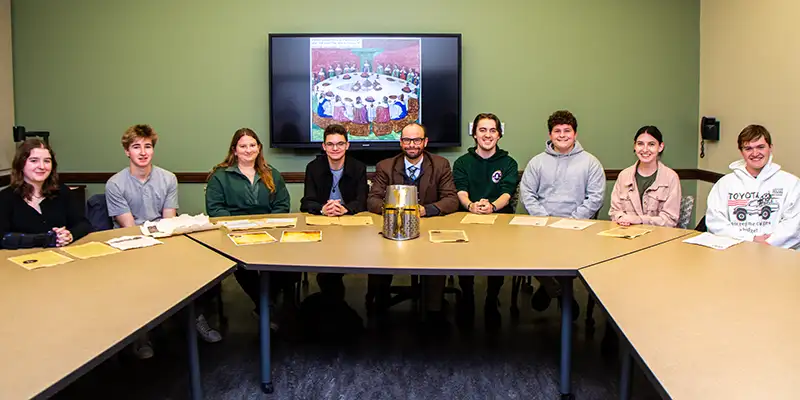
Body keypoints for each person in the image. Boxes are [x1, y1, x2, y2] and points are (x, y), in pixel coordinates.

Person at [105, 124, 211, 358]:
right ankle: (142, 335)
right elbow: (129, 227)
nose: (143, 152)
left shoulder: (168, 179)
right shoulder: (114, 184)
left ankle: (195, 319)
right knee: (137, 277)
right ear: (127, 151)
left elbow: (168, 221)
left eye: (148, 146)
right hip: (131, 244)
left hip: (163, 237)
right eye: (136, 147)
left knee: (198, 267)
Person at [367, 123, 458, 328]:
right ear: (401, 143)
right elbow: (372, 200)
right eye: (407, 140)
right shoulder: (386, 166)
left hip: (428, 229)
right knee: (379, 253)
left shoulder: (441, 164)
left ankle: (434, 310)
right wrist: (398, 209)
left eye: (417, 140)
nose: (412, 145)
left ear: (425, 142)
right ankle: (377, 305)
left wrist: (425, 210)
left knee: (437, 257)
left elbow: (451, 200)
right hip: (394, 228)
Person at [205, 128, 295, 331]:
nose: (248, 150)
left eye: (252, 145)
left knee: (287, 265)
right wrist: (241, 226)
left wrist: (267, 224)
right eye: (243, 146)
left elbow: (282, 205)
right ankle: (266, 306)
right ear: (234, 150)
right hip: (234, 236)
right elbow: (216, 209)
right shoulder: (220, 176)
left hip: (270, 233)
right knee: (243, 266)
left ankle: (265, 305)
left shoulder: (272, 174)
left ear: (259, 148)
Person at [519, 110, 605, 319]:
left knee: (568, 255)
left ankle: (549, 287)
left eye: (567, 130)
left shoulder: (590, 162)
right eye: (557, 131)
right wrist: (545, 219)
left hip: (577, 226)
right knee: (527, 253)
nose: (562, 135)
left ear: (575, 134)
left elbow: (596, 197)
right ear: (550, 135)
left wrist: (572, 221)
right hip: (542, 224)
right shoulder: (537, 162)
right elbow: (527, 193)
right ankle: (559, 291)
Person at [452, 113, 518, 329]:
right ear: (474, 134)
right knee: (463, 257)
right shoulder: (462, 162)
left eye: (492, 130)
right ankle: (467, 297)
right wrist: (471, 206)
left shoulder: (508, 162)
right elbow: (460, 190)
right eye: (482, 130)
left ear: (499, 135)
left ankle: (492, 300)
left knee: (496, 258)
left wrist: (491, 207)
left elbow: (507, 193)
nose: (487, 135)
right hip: (468, 217)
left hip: (499, 218)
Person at [301, 124, 368, 299]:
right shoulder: (313, 167)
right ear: (324, 146)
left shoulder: (358, 167)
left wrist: (346, 208)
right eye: (330, 144)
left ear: (347, 145)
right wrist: (322, 208)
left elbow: (363, 201)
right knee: (325, 267)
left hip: (351, 228)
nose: (335, 148)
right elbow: (306, 201)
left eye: (340, 144)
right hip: (323, 225)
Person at [706, 124, 800, 248]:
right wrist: (750, 239)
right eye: (748, 148)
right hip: (736, 252)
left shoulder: (791, 183)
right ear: (741, 151)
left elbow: (794, 225)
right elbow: (716, 222)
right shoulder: (724, 184)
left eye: (760, 147)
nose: (755, 153)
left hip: (778, 254)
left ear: (770, 148)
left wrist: (767, 243)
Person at [0, 139, 91, 249]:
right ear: (21, 164)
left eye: (47, 161)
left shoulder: (62, 191)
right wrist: (46, 239)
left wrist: (69, 235)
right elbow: (4, 238)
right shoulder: (5, 198)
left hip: (61, 258)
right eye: (34, 161)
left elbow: (83, 224)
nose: (42, 167)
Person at [609, 126, 681, 227]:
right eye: (640, 144)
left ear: (660, 147)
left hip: (658, 237)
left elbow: (670, 220)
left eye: (651, 144)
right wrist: (621, 218)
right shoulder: (624, 176)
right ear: (634, 146)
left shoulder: (671, 178)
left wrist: (640, 220)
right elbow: (614, 212)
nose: (645, 149)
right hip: (626, 236)